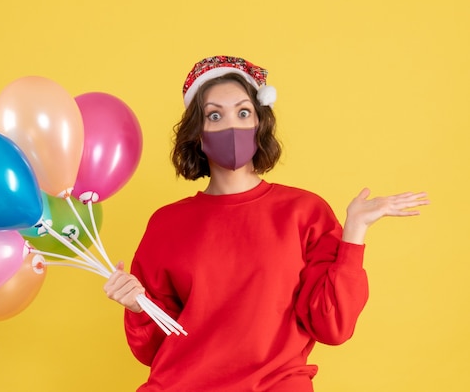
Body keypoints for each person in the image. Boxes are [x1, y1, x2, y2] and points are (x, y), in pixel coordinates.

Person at [104, 55, 429, 392]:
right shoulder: (167, 224)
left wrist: (354, 235)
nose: (232, 127)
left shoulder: (305, 212)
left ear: (261, 124)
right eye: (215, 116)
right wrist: (137, 306)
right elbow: (152, 350)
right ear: (198, 135)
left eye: (244, 113)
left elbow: (333, 326)